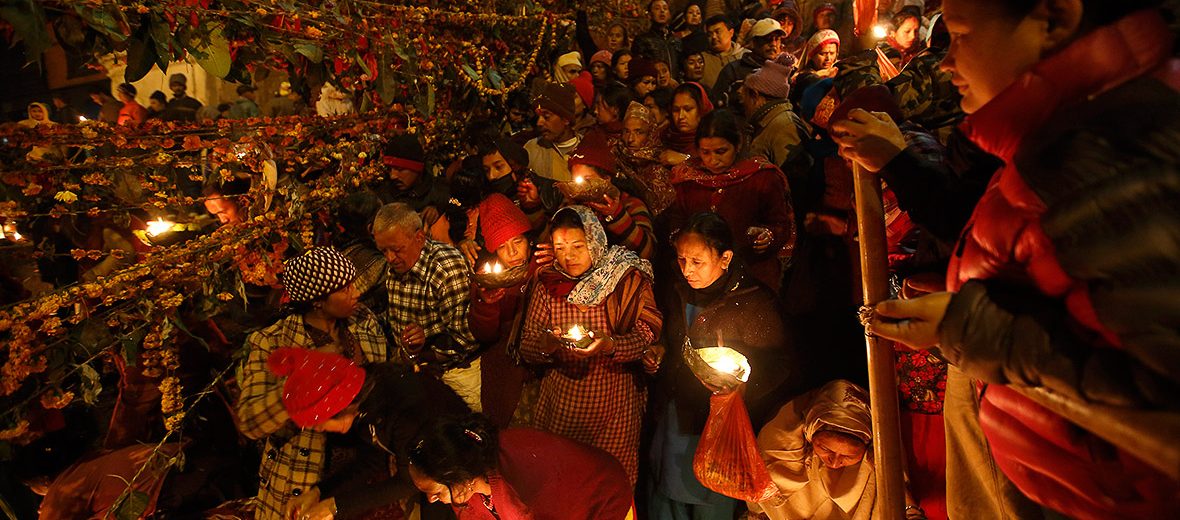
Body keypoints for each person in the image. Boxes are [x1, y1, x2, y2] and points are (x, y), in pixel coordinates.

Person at [852, 1, 1180, 519]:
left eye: (960, 35)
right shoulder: (1056, 138)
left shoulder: (1103, 155)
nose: (944, 61)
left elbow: (1159, 392)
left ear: (1054, 18)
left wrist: (972, 326)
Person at [648, 212, 803, 520]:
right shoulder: (678, 290)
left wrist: (742, 384)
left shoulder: (754, 302)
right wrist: (660, 351)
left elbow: (780, 364)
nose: (687, 270)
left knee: (712, 495)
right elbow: (674, 336)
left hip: (717, 422)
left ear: (725, 257)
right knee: (666, 490)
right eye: (682, 260)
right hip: (675, 414)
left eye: (697, 261)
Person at [235, 247, 389, 520]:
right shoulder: (273, 341)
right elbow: (249, 422)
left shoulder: (362, 323)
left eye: (353, 284)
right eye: (344, 289)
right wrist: (296, 391)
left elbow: (381, 377)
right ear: (317, 301)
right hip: (300, 474)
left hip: (360, 469)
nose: (355, 293)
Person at [518, 206, 661, 483]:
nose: (568, 256)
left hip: (615, 409)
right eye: (559, 247)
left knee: (609, 484)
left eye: (577, 246)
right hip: (563, 407)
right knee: (563, 484)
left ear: (595, 240)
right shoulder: (548, 283)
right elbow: (528, 344)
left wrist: (609, 345)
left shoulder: (625, 278)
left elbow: (647, 333)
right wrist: (547, 344)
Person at [407, 413, 635, 520]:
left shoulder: (525, 478)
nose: (430, 501)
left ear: (458, 476)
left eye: (435, 493)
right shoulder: (467, 483)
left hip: (604, 502)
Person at [667, 109, 795, 292]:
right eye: (705, 152)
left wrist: (767, 235)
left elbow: (781, 224)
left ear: (738, 145)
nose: (713, 160)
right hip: (701, 279)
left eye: (721, 151)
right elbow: (677, 221)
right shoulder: (688, 180)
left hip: (752, 275)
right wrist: (682, 241)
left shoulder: (762, 178)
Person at [371, 203, 483, 413]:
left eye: (396, 249)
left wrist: (424, 348)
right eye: (383, 251)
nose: (389, 258)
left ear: (420, 238)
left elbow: (465, 341)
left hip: (454, 375)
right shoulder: (395, 266)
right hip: (416, 373)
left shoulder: (445, 269)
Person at [749, 380, 878, 520]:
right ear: (811, 432)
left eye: (849, 455)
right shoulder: (777, 446)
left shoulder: (874, 466)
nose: (834, 463)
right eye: (825, 448)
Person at [468, 194, 536, 428]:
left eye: (517, 242)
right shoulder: (488, 281)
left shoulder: (544, 269)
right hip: (504, 375)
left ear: (529, 241)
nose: (512, 253)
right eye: (502, 247)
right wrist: (487, 304)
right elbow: (484, 335)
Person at [566, 132, 657, 260]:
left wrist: (616, 216)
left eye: (588, 179)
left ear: (606, 179)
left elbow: (648, 251)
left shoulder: (631, 204)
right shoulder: (572, 205)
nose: (581, 187)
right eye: (576, 180)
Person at [739, 54, 812, 192]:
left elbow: (797, 184)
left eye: (744, 95)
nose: (742, 101)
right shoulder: (765, 123)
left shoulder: (784, 127)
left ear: (755, 95)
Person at [615, 101, 676, 215]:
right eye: (626, 131)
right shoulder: (615, 155)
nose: (630, 139)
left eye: (639, 132)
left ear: (650, 134)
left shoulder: (660, 164)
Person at [712, 18, 787, 106]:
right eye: (768, 39)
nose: (773, 44)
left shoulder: (782, 72)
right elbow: (717, 104)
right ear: (754, 42)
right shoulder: (733, 71)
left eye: (777, 39)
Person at [525, 82, 582, 182]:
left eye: (546, 116)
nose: (539, 123)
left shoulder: (587, 148)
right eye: (538, 117)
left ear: (566, 120)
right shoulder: (532, 149)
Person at [663, 82, 714, 158]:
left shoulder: (715, 139)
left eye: (688, 109)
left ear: (702, 109)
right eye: (676, 110)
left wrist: (684, 159)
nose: (681, 116)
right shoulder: (665, 136)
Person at [634, 0, 682, 80]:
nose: (662, 11)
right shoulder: (643, 39)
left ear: (669, 14)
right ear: (649, 15)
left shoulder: (676, 40)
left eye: (665, 8)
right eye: (657, 8)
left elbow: (681, 66)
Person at [792, 29, 839, 106]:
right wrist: (821, 74)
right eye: (823, 53)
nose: (828, 58)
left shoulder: (840, 70)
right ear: (812, 55)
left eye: (832, 53)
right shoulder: (801, 77)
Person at [701, 15, 749, 89]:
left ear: (731, 33)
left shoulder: (746, 56)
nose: (713, 37)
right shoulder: (702, 59)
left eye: (718, 32)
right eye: (709, 34)